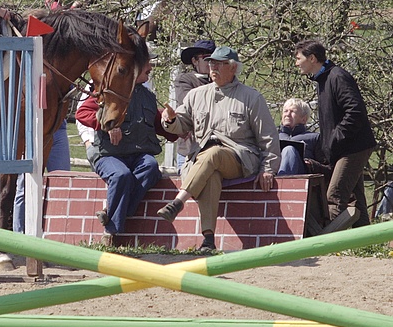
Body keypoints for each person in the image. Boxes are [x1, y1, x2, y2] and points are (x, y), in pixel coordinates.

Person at [159, 46, 280, 252]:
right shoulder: (196, 95)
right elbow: (181, 124)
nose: (212, 67)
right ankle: (208, 240)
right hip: (202, 159)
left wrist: (267, 168)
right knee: (211, 173)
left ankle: (178, 202)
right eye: (211, 63)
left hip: (240, 157)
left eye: (218, 64)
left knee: (213, 154)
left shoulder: (251, 97)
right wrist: (170, 119)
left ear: (233, 68)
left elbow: (267, 137)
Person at [76, 52, 176, 245]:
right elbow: (83, 113)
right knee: (121, 176)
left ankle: (112, 213)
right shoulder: (110, 88)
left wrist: (172, 121)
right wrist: (108, 125)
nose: (151, 67)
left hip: (138, 156)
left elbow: (164, 128)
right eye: (147, 63)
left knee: (150, 166)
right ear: (135, 66)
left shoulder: (148, 97)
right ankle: (110, 233)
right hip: (108, 154)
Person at [294, 40, 376, 229]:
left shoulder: (337, 77)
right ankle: (364, 241)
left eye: (299, 58)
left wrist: (335, 139)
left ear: (312, 58)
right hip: (344, 148)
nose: (296, 63)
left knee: (334, 196)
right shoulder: (323, 80)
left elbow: (355, 111)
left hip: (353, 148)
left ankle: (331, 244)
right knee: (356, 197)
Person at [12, 121, 71, 233]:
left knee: (63, 182)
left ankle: (58, 233)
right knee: (24, 187)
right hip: (31, 127)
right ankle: (19, 235)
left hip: (58, 127)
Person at [173, 39, 216, 172]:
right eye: (206, 58)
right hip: (190, 147)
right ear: (194, 61)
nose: (211, 63)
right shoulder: (185, 80)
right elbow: (189, 103)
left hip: (216, 148)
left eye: (213, 59)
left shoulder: (224, 83)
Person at [276, 98, 319, 175]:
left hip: (301, 176)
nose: (287, 114)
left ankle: (284, 185)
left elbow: (326, 167)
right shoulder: (274, 136)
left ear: (304, 119)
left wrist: (311, 164)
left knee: (289, 149)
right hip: (274, 173)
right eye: (285, 111)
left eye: (292, 112)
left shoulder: (314, 138)